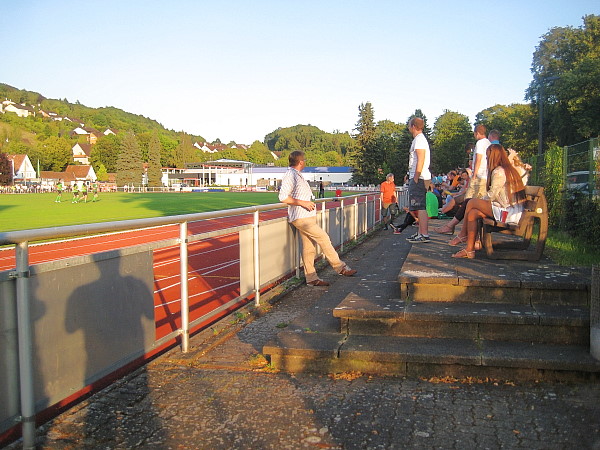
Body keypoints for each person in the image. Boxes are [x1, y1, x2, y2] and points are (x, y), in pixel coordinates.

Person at [279, 151, 357, 286]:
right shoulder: (290, 175)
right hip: (301, 217)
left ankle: (311, 278)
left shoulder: (296, 175)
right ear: (301, 162)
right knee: (324, 238)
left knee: (309, 248)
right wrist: (303, 203)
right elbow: (283, 197)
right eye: (304, 160)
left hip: (306, 216)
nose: (305, 162)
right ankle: (340, 267)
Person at [451, 144, 526, 258]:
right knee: (473, 213)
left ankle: (462, 234)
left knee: (471, 202)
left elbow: (492, 195)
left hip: (507, 213)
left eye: (487, 157)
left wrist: (479, 200)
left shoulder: (499, 172)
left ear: (493, 157)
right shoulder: (507, 169)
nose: (486, 159)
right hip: (510, 210)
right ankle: (469, 250)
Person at [405, 117, 432, 243]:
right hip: (420, 176)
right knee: (419, 206)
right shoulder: (419, 140)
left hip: (419, 177)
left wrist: (416, 176)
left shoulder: (419, 140)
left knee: (420, 206)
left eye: (409, 125)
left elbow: (420, 159)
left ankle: (424, 234)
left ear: (413, 126)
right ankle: (420, 233)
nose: (408, 128)